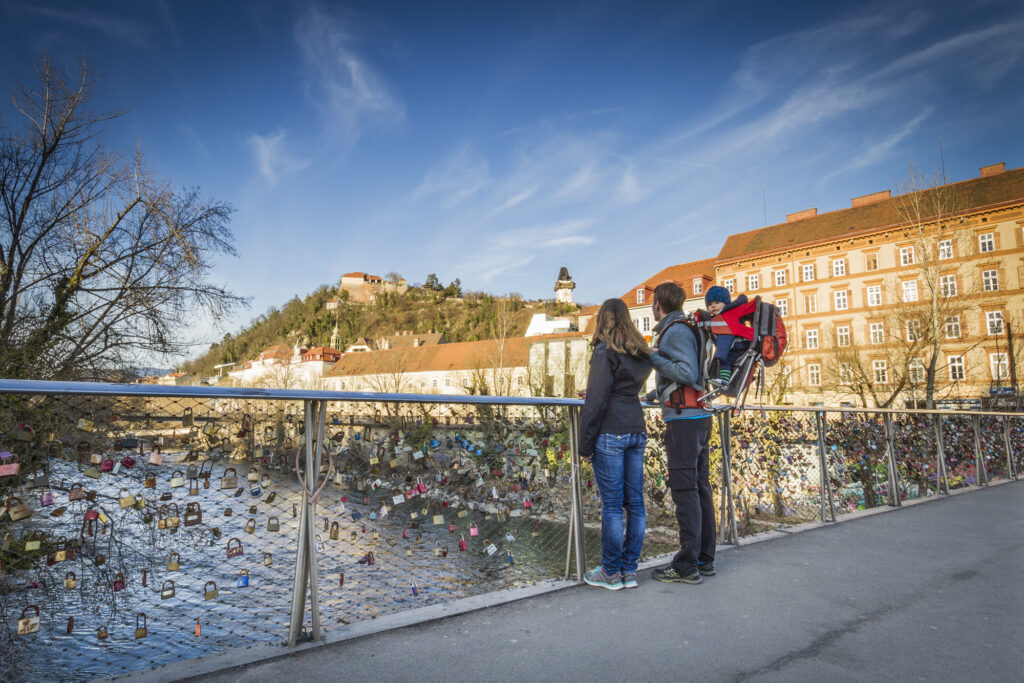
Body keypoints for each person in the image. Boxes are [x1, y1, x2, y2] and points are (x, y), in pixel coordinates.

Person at [579, 298, 653, 590]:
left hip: (610, 432)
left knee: (611, 507)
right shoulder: (639, 352)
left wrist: (585, 445)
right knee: (635, 504)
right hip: (636, 429)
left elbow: (596, 402)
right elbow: (624, 387)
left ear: (602, 319)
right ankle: (628, 571)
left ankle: (610, 572)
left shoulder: (603, 351)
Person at [646, 282, 716, 584]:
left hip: (684, 422)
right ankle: (704, 559)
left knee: (685, 491)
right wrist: (655, 394)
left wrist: (651, 356)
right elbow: (686, 376)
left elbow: (686, 372)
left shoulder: (673, 330)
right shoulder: (687, 326)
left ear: (657, 304)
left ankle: (686, 566)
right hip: (699, 415)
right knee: (700, 489)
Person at [704, 285, 750, 388]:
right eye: (710, 304)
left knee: (725, 361)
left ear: (726, 303)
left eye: (717, 303)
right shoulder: (721, 317)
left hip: (737, 347)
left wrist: (720, 355)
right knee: (727, 361)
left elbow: (726, 337)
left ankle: (724, 380)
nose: (713, 306)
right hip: (737, 347)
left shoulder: (726, 316)